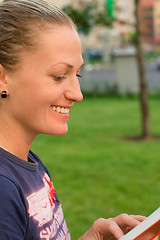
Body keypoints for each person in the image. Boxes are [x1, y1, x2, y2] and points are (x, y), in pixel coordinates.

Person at [0, 0, 148, 239]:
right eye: (59, 76)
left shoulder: (27, 163)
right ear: (3, 78)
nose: (77, 94)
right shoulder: (3, 188)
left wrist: (94, 237)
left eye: (76, 74)